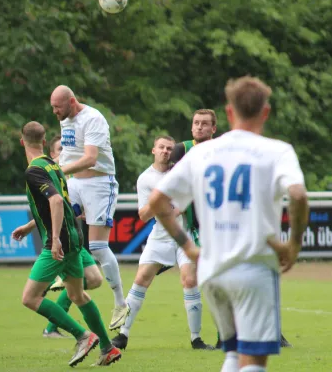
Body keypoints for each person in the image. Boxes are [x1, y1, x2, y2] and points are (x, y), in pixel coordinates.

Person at [149, 76, 309, 372]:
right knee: (254, 361)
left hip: (211, 269)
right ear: (266, 113)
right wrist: (294, 244)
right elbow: (298, 195)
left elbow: (157, 202)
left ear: (229, 113)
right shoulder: (277, 150)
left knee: (234, 354)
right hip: (254, 266)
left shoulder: (203, 152)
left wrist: (187, 245)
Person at [12, 121, 121, 366]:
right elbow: (58, 200)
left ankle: (83, 335)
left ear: (22, 142)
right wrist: (31, 227)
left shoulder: (33, 170)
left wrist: (53, 241)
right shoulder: (53, 165)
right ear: (43, 142)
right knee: (77, 294)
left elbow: (57, 203)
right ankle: (107, 348)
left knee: (30, 298)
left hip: (60, 241)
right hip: (74, 238)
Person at [111, 136, 214, 351]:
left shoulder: (179, 173)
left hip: (183, 233)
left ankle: (196, 338)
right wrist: (158, 203)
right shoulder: (145, 179)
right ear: (153, 150)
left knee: (189, 280)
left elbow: (186, 203)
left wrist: (170, 209)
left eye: (169, 148)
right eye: (161, 147)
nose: (166, 151)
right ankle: (123, 334)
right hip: (160, 234)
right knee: (141, 279)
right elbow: (143, 215)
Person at [50, 85, 129, 331]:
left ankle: (120, 303)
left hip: (99, 183)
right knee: (55, 216)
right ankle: (61, 271)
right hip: (76, 182)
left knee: (97, 247)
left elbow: (91, 158)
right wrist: (50, 167)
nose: (55, 112)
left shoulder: (93, 119)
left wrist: (59, 171)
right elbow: (69, 155)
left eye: (58, 107)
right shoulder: (65, 120)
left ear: (71, 101)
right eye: (52, 108)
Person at [41, 134, 104, 338]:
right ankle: (55, 327)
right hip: (62, 239)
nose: (65, 153)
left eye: (67, 149)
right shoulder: (49, 175)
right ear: (52, 154)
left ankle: (52, 326)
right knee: (83, 286)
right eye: (60, 150)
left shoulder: (73, 177)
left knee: (94, 280)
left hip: (74, 237)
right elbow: (50, 207)